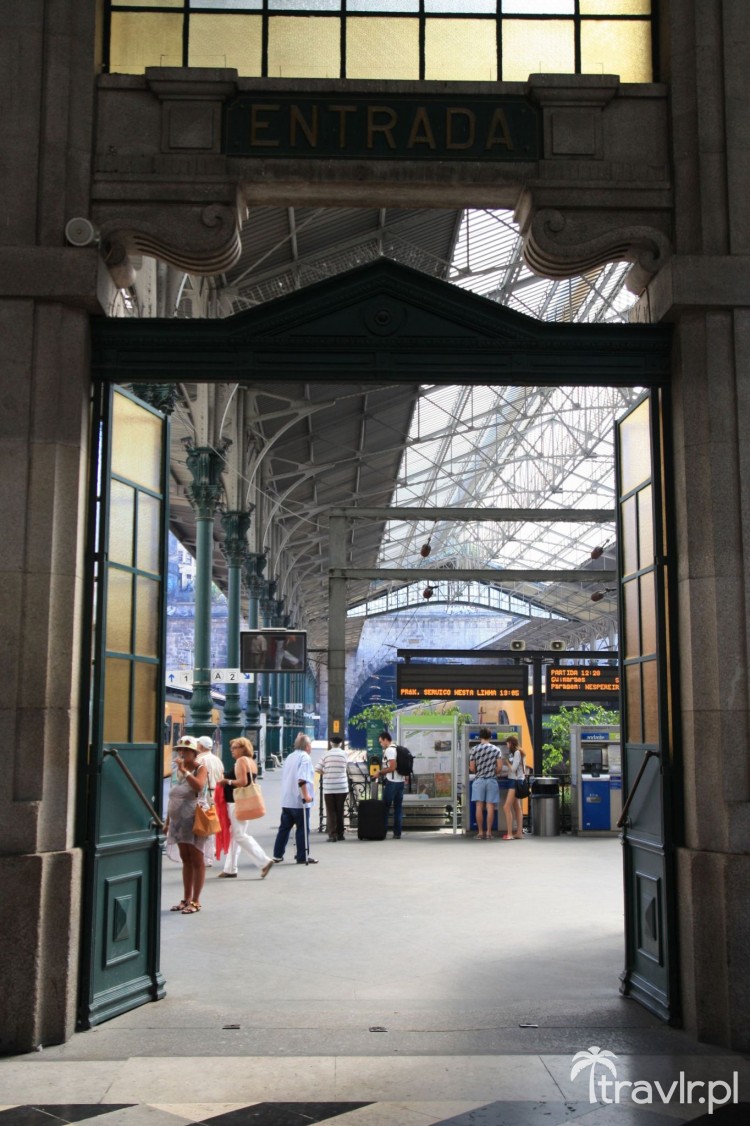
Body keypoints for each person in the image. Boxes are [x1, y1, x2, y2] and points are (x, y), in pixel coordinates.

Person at [164, 735, 210, 914]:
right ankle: (186, 898)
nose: (181, 753)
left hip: (194, 819)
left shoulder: (201, 768)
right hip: (178, 822)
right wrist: (167, 822)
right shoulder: (177, 771)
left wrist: (185, 771)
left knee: (197, 859)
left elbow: (199, 786)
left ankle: (196, 901)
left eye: (185, 751)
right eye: (180, 750)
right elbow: (173, 797)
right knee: (186, 859)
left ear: (194, 753)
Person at [220, 737, 273, 879]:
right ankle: (230, 869)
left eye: (235, 747)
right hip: (244, 801)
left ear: (243, 748)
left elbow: (243, 782)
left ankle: (264, 861)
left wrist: (227, 781)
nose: (231, 750)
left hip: (237, 802)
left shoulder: (241, 761)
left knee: (239, 835)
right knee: (235, 835)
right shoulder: (251, 762)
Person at [272, 732, 318, 864]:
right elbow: (302, 779)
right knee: (302, 829)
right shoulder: (305, 758)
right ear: (307, 746)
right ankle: (302, 856)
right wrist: (306, 796)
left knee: (284, 828)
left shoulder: (290, 757)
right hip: (299, 801)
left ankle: (277, 854)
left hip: (287, 799)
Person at [196, 735, 225, 867]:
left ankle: (206, 856)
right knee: (211, 824)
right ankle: (211, 851)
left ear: (201, 746)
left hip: (204, 794)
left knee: (203, 825)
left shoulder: (200, 759)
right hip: (216, 792)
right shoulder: (217, 759)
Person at [469, 727, 503, 840]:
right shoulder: (496, 749)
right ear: (490, 737)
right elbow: (499, 767)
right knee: (490, 807)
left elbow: (472, 768)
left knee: (479, 806)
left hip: (479, 780)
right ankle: (489, 833)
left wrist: (478, 771)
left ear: (480, 737)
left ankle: (480, 833)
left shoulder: (474, 749)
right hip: (491, 780)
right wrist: (494, 772)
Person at [315, 735, 349, 841]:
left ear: (330, 743)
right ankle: (340, 834)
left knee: (330, 811)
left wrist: (325, 773)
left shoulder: (326, 755)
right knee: (340, 811)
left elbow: (317, 768)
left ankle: (332, 834)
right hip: (342, 787)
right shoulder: (344, 754)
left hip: (329, 787)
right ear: (340, 744)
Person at [377, 731, 405, 839]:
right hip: (400, 782)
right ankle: (397, 833)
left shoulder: (389, 750)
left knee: (385, 807)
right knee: (398, 808)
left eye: (381, 742)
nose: (381, 744)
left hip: (392, 783)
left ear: (385, 739)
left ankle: (382, 832)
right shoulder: (397, 748)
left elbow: (392, 767)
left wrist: (380, 772)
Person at [502, 735, 527, 840]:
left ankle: (510, 834)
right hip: (517, 781)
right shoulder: (519, 753)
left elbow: (513, 768)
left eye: (507, 743)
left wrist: (506, 761)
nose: (507, 745)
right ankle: (519, 833)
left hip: (514, 782)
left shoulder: (517, 753)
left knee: (506, 807)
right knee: (517, 808)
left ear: (511, 743)